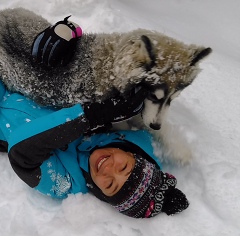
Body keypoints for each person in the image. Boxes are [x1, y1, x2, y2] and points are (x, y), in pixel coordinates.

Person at [0, 17, 189, 218]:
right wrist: (70, 39)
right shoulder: (122, 131)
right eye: (123, 167)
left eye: (110, 185)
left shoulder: (65, 182)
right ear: (133, 154)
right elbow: (102, 62)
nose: (108, 169)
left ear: (103, 195)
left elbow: (21, 153)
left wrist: (92, 115)